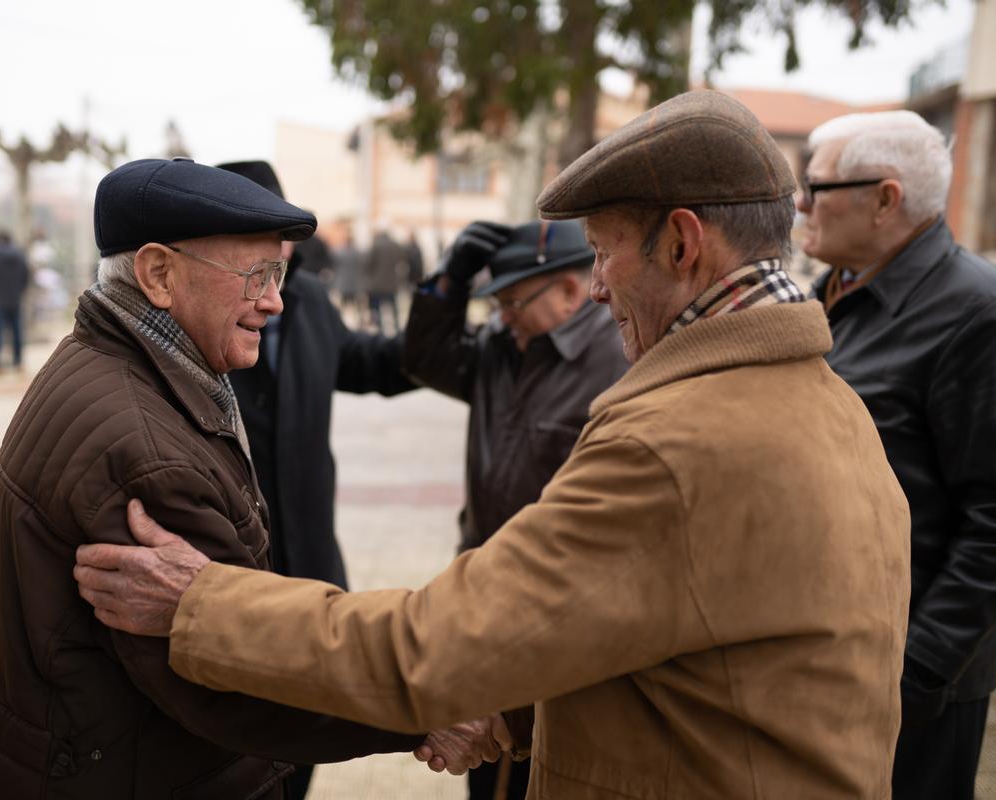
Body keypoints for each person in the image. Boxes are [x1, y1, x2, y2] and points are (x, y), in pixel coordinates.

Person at [75, 92, 914, 799]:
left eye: (602, 252)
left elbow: (427, 649)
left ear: (684, 243)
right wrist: (514, 711)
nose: (595, 286)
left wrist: (202, 605)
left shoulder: (682, 438)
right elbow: (690, 660)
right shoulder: (827, 402)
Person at [0, 158, 502, 800]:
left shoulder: (112, 355)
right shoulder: (145, 453)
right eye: (257, 274)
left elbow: (386, 364)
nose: (274, 299)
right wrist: (424, 707)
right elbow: (223, 682)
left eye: (282, 274)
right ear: (159, 273)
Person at [800, 110, 996, 800]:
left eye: (817, 184)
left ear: (886, 200)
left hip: (910, 690)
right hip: (824, 665)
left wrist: (913, 674)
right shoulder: (834, 295)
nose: (801, 202)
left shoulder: (979, 312)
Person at [403, 218, 630, 799]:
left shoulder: (617, 363)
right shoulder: (499, 351)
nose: (501, 314)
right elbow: (424, 357)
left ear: (571, 291)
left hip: (557, 613)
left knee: (537, 770)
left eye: (512, 301)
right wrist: (448, 281)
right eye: (495, 301)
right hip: (483, 595)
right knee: (486, 772)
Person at [215, 159, 419, 799]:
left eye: (278, 234)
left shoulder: (305, 300)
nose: (273, 250)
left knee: (299, 751)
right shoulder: (195, 323)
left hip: (307, 567)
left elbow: (371, 364)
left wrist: (446, 313)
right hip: (229, 577)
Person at [0, 230, 30, 374]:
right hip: (15, 299)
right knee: (17, 332)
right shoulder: (20, 256)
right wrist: (19, 292)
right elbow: (26, 276)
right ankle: (18, 362)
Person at [366, 227, 403, 335]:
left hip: (377, 284)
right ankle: (396, 327)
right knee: (393, 307)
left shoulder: (375, 245)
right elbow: (401, 260)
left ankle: (380, 329)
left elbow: (368, 264)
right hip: (392, 282)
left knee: (377, 308)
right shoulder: (395, 245)